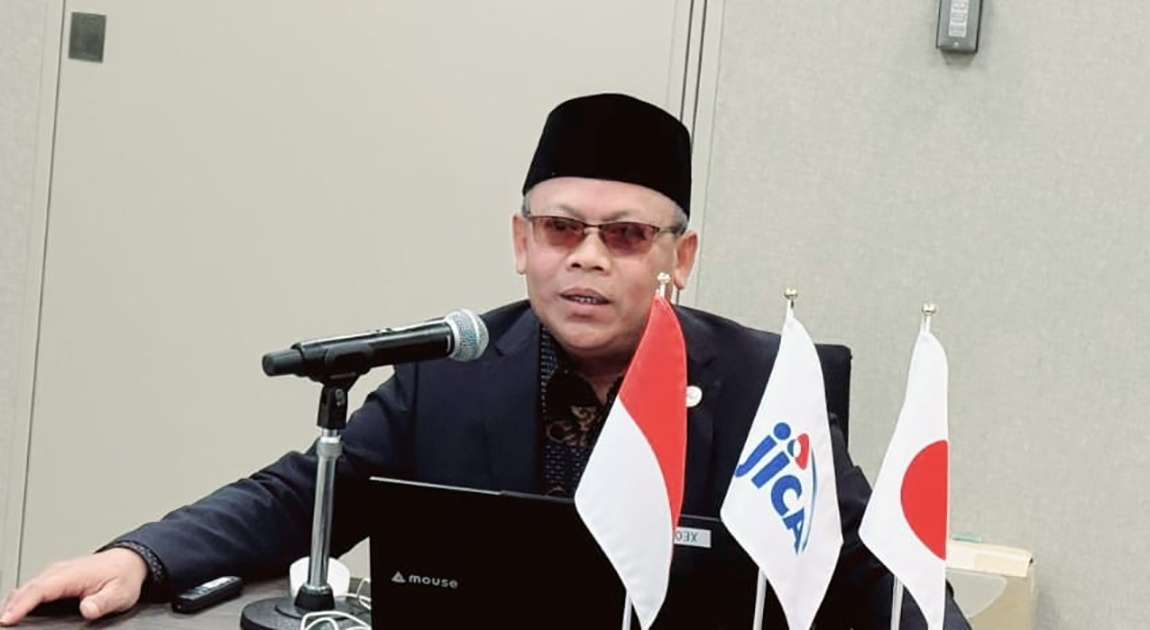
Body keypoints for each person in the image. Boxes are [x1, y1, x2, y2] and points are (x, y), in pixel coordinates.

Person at [1, 93, 968, 629]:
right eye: (562, 228)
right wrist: (140, 557)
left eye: (627, 235)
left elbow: (885, 580)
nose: (587, 257)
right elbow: (301, 497)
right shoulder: (448, 373)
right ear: (521, 241)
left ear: (681, 257)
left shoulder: (763, 387)